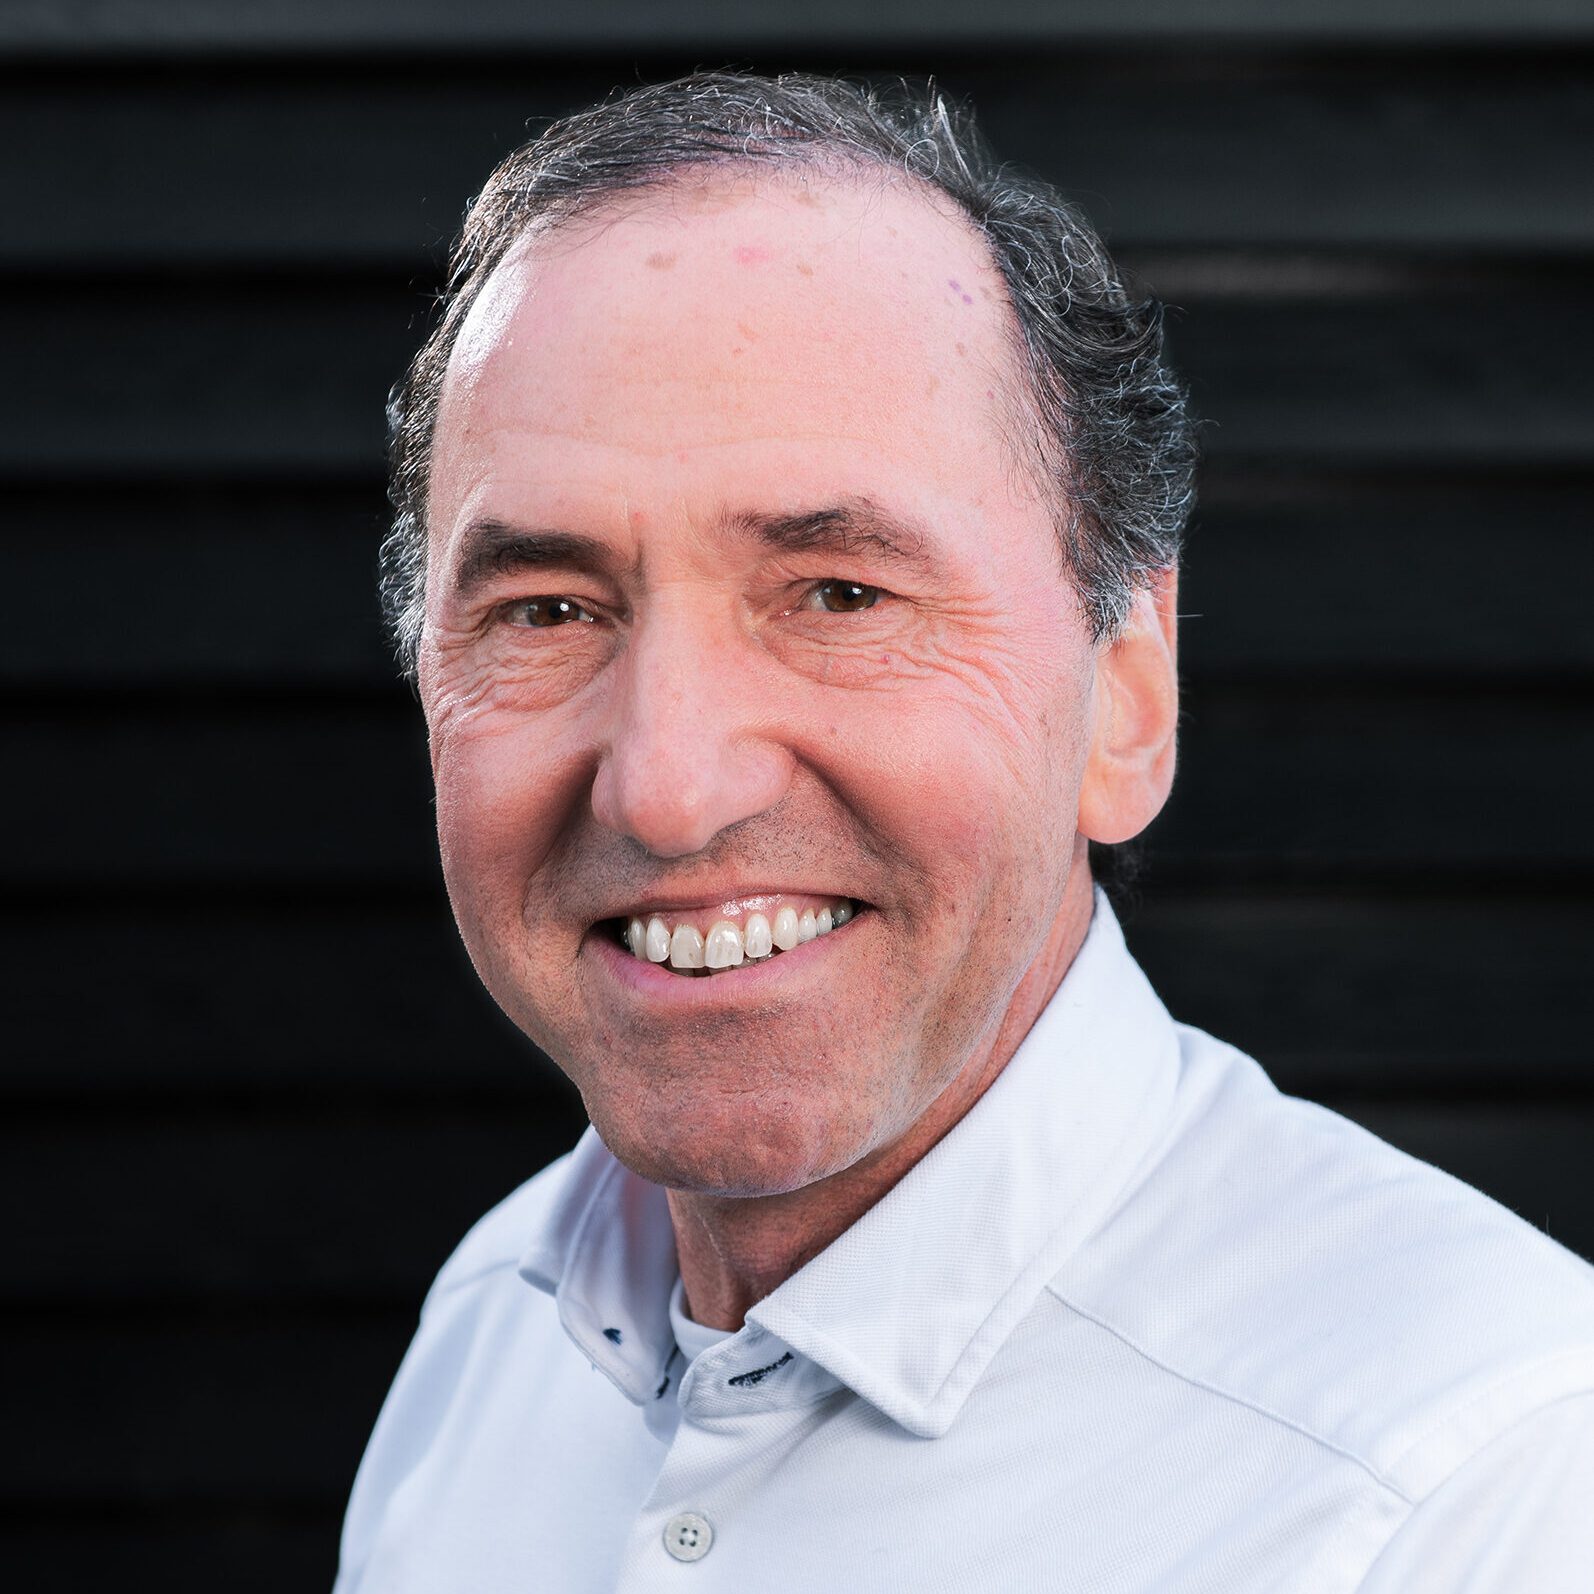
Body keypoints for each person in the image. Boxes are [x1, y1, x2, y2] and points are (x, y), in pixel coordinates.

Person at [334, 73, 1594, 1591]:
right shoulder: (493, 1333)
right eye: (548, 611)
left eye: (840, 595)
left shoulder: (1481, 1487)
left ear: (1126, 692)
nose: (668, 787)